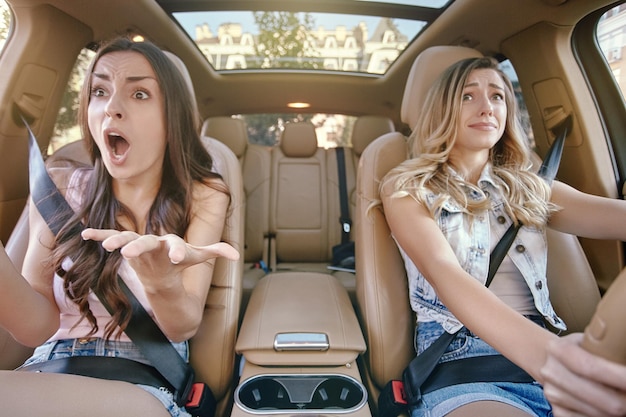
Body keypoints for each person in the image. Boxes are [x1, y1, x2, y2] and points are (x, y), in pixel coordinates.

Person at [0, 36, 239, 417]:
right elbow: (34, 328)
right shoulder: (57, 186)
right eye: (99, 91)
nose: (112, 108)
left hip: (145, 378)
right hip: (48, 370)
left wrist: (162, 280)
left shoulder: (204, 194)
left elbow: (182, 327)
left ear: (171, 116)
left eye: (139, 94)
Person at [380, 56, 626, 417]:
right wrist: (554, 360)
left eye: (497, 96)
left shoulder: (532, 187)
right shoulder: (408, 188)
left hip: (549, 359)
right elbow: (446, 274)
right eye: (468, 96)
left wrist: (561, 363)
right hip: (464, 363)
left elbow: (614, 217)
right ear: (443, 108)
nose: (486, 107)